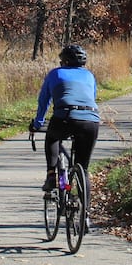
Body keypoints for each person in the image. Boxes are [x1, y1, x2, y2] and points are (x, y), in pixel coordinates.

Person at [29, 44, 100, 196]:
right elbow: (91, 98)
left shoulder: (56, 73)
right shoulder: (89, 76)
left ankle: (51, 176)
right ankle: (85, 214)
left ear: (65, 62)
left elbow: (44, 101)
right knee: (83, 168)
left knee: (52, 137)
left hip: (65, 117)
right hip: (91, 120)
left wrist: (38, 123)